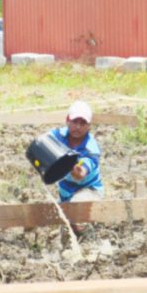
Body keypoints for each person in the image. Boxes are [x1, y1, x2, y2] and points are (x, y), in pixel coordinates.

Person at [49, 100, 103, 238]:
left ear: (89, 126)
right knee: (66, 224)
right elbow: (42, 145)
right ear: (68, 120)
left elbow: (83, 172)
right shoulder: (58, 136)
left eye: (83, 123)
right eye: (75, 122)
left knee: (76, 214)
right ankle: (68, 251)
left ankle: (90, 242)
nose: (78, 127)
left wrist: (77, 171)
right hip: (66, 191)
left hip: (89, 190)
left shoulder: (90, 148)